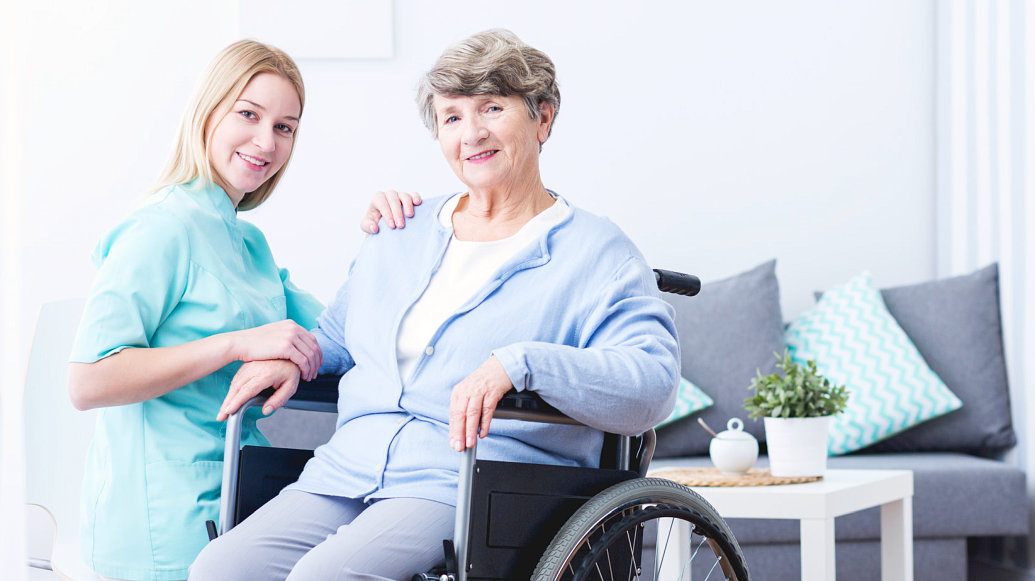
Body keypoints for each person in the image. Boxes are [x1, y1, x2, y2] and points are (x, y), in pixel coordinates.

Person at [189, 29, 680, 581]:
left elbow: (653, 381)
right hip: (347, 469)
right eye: (451, 117)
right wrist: (295, 357)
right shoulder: (402, 228)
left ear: (543, 118)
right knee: (219, 569)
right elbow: (340, 336)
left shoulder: (596, 252)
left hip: (471, 484)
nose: (471, 134)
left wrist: (522, 363)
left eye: (492, 107)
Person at [67, 40, 417, 581]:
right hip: (157, 519)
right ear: (208, 113)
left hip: (237, 500)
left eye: (285, 127)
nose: (266, 141)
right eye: (249, 115)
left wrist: (389, 235)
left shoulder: (248, 244)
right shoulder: (160, 227)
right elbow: (88, 381)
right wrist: (234, 345)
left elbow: (346, 333)